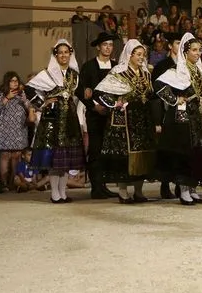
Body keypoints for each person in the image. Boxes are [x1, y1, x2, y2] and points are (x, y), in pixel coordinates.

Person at [154, 33, 202, 206]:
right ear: (185, 52)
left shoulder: (198, 71)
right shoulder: (178, 70)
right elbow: (158, 84)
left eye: (199, 50)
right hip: (181, 117)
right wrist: (174, 99)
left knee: (197, 148)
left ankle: (192, 187)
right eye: (194, 50)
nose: (197, 53)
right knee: (184, 150)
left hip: (195, 115)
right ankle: (184, 189)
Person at [95, 39, 157, 204]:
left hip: (142, 119)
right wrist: (115, 104)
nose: (141, 58)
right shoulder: (118, 72)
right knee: (124, 157)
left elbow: (150, 95)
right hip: (124, 121)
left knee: (143, 155)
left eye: (143, 55)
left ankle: (138, 191)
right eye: (138, 54)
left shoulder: (146, 74)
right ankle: (123, 192)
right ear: (130, 55)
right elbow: (101, 92)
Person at [26, 39, 84, 204]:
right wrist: (42, 103)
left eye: (66, 52)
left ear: (70, 54)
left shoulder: (75, 75)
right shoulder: (47, 73)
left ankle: (63, 193)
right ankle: (54, 194)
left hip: (70, 118)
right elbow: (28, 88)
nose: (64, 55)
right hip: (52, 119)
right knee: (54, 158)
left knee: (66, 158)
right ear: (56, 55)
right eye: (61, 53)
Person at [76, 31, 118, 199]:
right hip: (94, 116)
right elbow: (81, 90)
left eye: (110, 45)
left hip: (113, 115)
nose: (108, 48)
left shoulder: (116, 67)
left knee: (108, 151)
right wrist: (94, 107)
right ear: (99, 47)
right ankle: (96, 187)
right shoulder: (88, 66)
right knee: (95, 150)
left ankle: (104, 185)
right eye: (105, 45)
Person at [151, 31, 182, 199]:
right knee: (166, 150)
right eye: (177, 43)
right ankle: (164, 185)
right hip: (166, 112)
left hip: (182, 113)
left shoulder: (187, 65)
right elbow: (156, 94)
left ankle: (180, 184)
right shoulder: (162, 66)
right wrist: (157, 120)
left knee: (180, 149)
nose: (180, 46)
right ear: (170, 46)